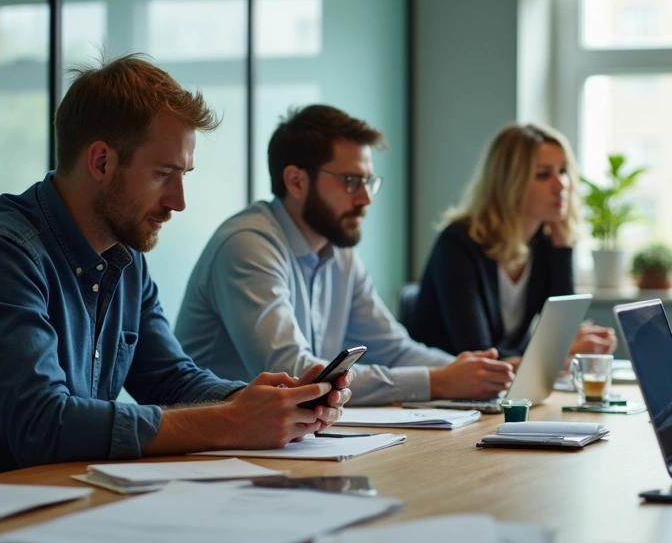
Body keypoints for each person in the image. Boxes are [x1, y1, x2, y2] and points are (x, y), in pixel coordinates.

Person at [0, 55, 348, 486]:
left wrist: (262, 403)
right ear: (101, 162)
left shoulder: (124, 256)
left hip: (62, 503)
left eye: (183, 175)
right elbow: (42, 425)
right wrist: (232, 422)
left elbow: (168, 378)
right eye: (164, 174)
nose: (179, 201)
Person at [176, 105, 514, 404]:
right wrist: (438, 382)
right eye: (351, 181)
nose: (365, 198)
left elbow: (394, 349)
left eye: (368, 182)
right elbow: (295, 376)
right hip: (211, 447)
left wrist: (479, 373)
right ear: (296, 181)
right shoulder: (248, 245)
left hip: (280, 439)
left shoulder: (338, 251)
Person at [407, 123, 616, 360]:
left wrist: (562, 247)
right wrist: (558, 352)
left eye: (563, 171)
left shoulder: (546, 244)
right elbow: (478, 353)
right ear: (509, 182)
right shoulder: (457, 243)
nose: (561, 185)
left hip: (501, 389)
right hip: (444, 388)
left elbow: (562, 332)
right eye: (543, 174)